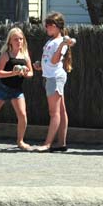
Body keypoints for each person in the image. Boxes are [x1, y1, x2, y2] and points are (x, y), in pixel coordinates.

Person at [33, 12, 74, 153]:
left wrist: (63, 43)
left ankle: (48, 143)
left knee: (54, 112)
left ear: (57, 27)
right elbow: (50, 61)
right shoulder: (51, 41)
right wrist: (40, 65)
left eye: (50, 25)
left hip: (54, 78)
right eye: (46, 25)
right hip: (52, 77)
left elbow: (55, 60)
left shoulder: (61, 42)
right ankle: (61, 143)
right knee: (61, 111)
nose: (47, 27)